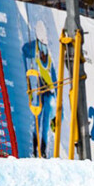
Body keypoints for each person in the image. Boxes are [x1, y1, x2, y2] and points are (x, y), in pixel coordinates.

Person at [22, 20, 57, 158]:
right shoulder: (35, 48)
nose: (42, 54)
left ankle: (43, 150)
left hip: (49, 93)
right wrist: (29, 82)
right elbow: (24, 50)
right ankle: (35, 150)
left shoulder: (50, 62)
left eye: (44, 51)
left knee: (45, 121)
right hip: (40, 89)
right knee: (37, 118)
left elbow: (56, 84)